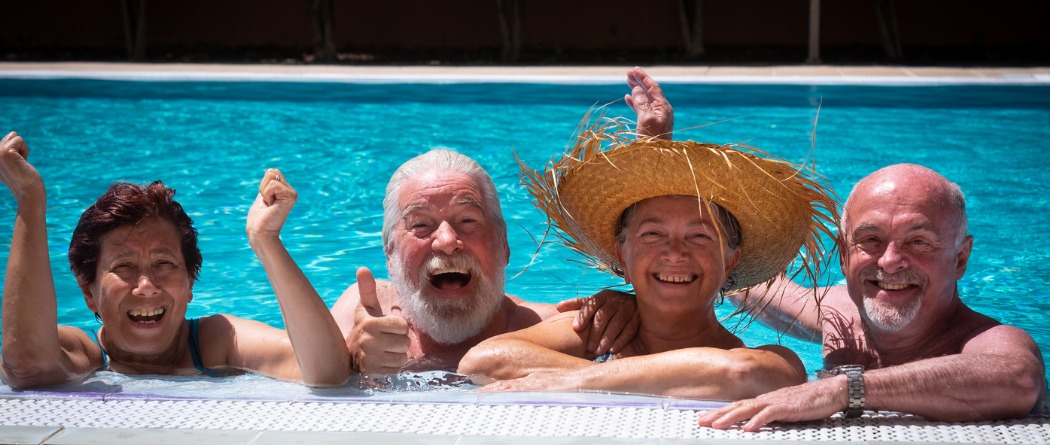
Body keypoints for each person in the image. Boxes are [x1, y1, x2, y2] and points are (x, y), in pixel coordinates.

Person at [455, 112, 840, 399]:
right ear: (622, 255)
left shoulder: (766, 356)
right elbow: (481, 361)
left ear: (731, 261)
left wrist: (585, 378)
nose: (674, 253)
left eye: (700, 236)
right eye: (652, 234)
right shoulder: (599, 329)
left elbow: (740, 373)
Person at [328, 67, 674, 375]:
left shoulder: (557, 330)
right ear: (389, 253)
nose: (447, 240)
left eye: (467, 220)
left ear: (504, 246)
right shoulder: (359, 316)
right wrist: (350, 359)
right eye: (421, 225)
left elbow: (674, 333)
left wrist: (637, 304)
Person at [698, 164, 1046, 429]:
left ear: (960, 259)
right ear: (844, 256)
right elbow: (750, 287)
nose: (890, 262)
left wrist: (839, 390)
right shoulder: (841, 314)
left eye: (918, 241)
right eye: (871, 240)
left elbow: (1017, 380)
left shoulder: (987, 340)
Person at [0, 131, 349, 388]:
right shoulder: (84, 352)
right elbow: (28, 368)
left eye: (165, 264)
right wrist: (30, 202)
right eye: (124, 267)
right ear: (88, 291)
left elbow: (326, 371)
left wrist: (267, 241)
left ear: (190, 283)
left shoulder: (216, 341)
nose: (147, 286)